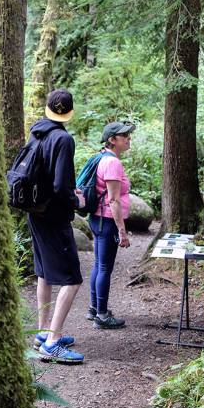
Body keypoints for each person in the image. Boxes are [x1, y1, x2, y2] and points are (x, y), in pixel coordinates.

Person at [30, 89, 86, 364]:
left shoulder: (37, 133)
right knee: (72, 279)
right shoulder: (63, 139)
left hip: (36, 212)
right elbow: (60, 185)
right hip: (54, 217)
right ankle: (52, 343)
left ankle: (43, 332)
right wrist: (76, 201)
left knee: (44, 272)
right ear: (69, 112)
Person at [85, 121, 134, 329]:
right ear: (112, 140)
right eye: (124, 136)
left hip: (97, 218)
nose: (128, 139)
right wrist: (122, 230)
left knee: (99, 264)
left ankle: (95, 308)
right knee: (104, 267)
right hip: (106, 220)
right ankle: (102, 316)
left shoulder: (102, 158)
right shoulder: (113, 163)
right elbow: (113, 200)